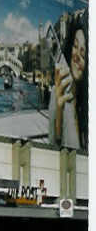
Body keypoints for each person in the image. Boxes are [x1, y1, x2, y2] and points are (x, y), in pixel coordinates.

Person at [49, 14, 88, 149]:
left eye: (83, 54)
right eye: (75, 46)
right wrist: (59, 110)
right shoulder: (58, 91)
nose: (76, 56)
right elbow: (53, 144)